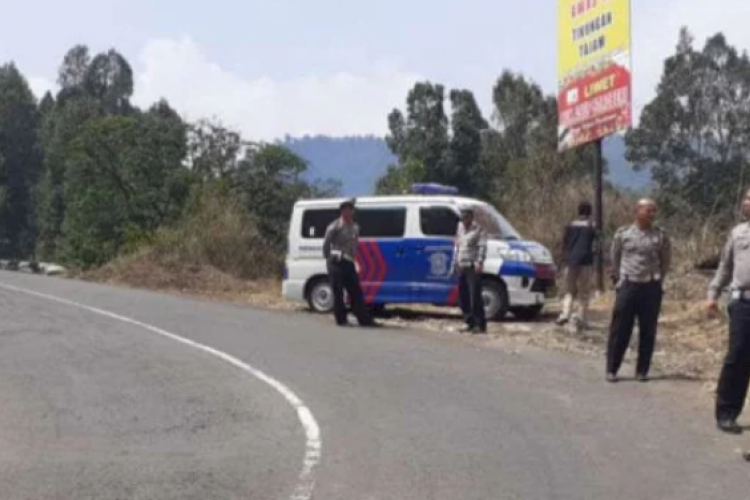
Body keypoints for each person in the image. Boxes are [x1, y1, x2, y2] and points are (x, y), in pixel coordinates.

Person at [606, 198, 671, 383]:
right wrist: (619, 280)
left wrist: (659, 281)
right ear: (637, 211)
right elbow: (615, 257)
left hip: (650, 286)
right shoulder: (623, 234)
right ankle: (612, 369)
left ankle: (642, 371)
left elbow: (665, 260)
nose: (652, 214)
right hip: (628, 285)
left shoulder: (660, 235)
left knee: (648, 330)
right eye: (649, 210)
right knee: (620, 329)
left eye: (654, 210)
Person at [706, 189, 750, 434]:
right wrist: (712, 295)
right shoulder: (738, 233)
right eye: (746, 198)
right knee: (737, 358)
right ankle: (726, 412)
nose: (746, 202)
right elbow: (724, 267)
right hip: (742, 303)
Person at [323, 199, 376, 328]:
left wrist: (355, 260)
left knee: (355, 291)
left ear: (353, 211)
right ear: (341, 211)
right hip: (336, 261)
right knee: (338, 291)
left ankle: (364, 319)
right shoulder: (335, 226)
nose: (347, 211)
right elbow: (326, 245)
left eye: (349, 209)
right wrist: (329, 259)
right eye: (344, 209)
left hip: (349, 261)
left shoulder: (355, 227)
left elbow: (354, 246)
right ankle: (341, 320)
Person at [557, 201, 597, 328]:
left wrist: (563, 259)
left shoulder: (569, 226)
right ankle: (581, 318)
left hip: (570, 261)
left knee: (569, 290)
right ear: (590, 213)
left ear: (578, 211)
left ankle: (565, 314)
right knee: (584, 292)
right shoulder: (592, 226)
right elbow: (597, 245)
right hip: (585, 261)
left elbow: (564, 243)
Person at [452, 207, 488, 334]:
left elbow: (482, 247)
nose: (464, 220)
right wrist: (455, 262)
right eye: (462, 217)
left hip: (473, 266)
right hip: (461, 265)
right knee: (463, 297)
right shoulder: (460, 227)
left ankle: (480, 325)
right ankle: (469, 322)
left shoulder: (478, 229)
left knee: (475, 297)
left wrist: (480, 262)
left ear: (471, 217)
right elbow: (458, 245)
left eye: (466, 217)